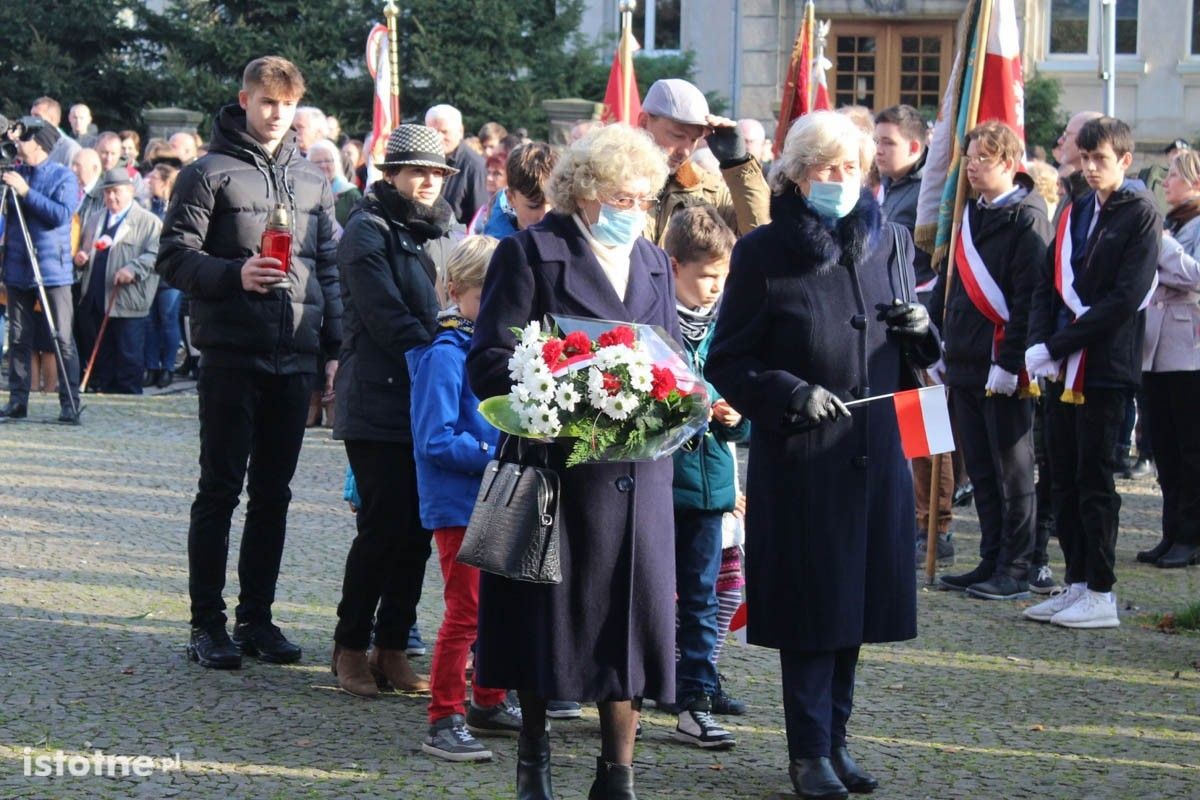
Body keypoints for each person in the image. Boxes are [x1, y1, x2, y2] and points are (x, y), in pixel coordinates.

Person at [705, 110, 940, 799]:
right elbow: (729, 359)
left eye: (850, 169)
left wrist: (923, 331)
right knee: (813, 610)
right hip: (804, 461)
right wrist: (788, 391)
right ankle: (808, 753)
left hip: (875, 457)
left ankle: (837, 742)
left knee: (856, 609)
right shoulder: (763, 252)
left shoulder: (890, 242)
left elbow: (918, 354)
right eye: (824, 169)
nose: (839, 181)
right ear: (796, 176)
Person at [467, 123, 676, 799]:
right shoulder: (530, 252)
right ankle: (535, 757)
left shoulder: (654, 260)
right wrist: (563, 387)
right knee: (541, 621)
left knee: (632, 620)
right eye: (622, 194)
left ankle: (618, 772)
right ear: (585, 193)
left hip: (636, 475)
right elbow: (489, 362)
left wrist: (685, 397)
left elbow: (671, 360)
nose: (633, 208)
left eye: (644, 197)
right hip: (552, 470)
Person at [157, 55, 342, 669]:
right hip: (232, 354)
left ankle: (256, 618)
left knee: (274, 494)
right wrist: (235, 273)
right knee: (219, 490)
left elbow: (331, 273)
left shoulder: (314, 181)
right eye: (266, 102)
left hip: (295, 356)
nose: (275, 114)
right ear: (244, 100)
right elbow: (174, 259)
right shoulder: (205, 174)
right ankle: (206, 623)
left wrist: (336, 350)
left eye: (286, 105)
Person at [330, 124, 454, 697]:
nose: (428, 182)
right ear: (392, 175)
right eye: (418, 172)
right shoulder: (367, 230)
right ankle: (350, 646)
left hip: (418, 396)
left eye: (437, 173)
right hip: (377, 398)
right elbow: (386, 318)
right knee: (382, 529)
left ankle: (392, 646)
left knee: (416, 532)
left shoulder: (423, 230)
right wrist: (445, 345)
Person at [1023, 116, 1160, 629]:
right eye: (1085, 158)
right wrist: (1040, 344)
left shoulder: (1141, 215)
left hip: (1105, 367)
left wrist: (1060, 343)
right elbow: (1048, 281)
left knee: (1096, 479)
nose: (1091, 168)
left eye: (1100, 159)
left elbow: (1125, 297)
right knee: (1062, 477)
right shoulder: (1078, 209)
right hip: (1061, 366)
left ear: (1124, 160)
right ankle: (1076, 579)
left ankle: (1101, 589)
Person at [406, 235, 520, 760]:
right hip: (458, 502)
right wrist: (493, 448)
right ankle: (443, 715)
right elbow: (435, 440)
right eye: (488, 294)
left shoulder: (490, 349)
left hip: (493, 494)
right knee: (466, 611)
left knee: (498, 607)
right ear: (457, 290)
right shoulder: (445, 354)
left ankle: (488, 700)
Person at [927, 121, 1050, 602]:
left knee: (1011, 469)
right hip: (964, 359)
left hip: (1002, 363)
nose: (972, 167)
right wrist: (935, 340)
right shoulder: (967, 212)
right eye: (970, 158)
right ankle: (990, 557)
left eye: (982, 159)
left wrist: (1011, 358)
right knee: (979, 469)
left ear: (1008, 162)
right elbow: (951, 281)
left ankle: (1017, 565)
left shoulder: (1026, 216)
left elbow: (1028, 296)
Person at [662, 205, 748, 749]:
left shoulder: (728, 329)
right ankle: (633, 686)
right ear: (674, 267)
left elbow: (743, 402)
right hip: (658, 480)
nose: (714, 287)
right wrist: (701, 399)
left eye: (722, 276)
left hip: (710, 482)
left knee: (699, 595)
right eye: (705, 276)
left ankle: (695, 698)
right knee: (646, 592)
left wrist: (738, 413)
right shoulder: (655, 322)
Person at [875, 103, 955, 566]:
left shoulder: (929, 194)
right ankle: (915, 517)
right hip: (891, 320)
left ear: (915, 145)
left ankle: (935, 526)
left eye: (888, 142)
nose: (880, 150)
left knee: (925, 427)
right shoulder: (885, 188)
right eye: (878, 141)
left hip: (923, 319)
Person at [1135, 148, 1200, 569]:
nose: (1166, 184)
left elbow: (1194, 275)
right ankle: (1171, 531)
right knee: (1163, 448)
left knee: (1191, 449)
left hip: (1189, 353)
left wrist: (1161, 246)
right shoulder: (1172, 223)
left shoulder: (1182, 228)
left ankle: (1191, 536)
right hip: (1154, 353)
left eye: (1174, 176)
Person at [0, 116, 82, 424]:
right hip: (18, 266)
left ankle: (69, 403)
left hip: (52, 268)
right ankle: (17, 401)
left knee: (61, 336)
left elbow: (60, 216)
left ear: (39, 143)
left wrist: (25, 192)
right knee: (19, 336)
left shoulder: (63, 176)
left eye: (23, 139)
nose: (18, 145)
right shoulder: (14, 171)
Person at [638, 78, 770, 244]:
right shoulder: (610, 180)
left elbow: (764, 237)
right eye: (677, 136)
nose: (685, 150)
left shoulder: (707, 191)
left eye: (694, 140)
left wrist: (738, 164)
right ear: (643, 123)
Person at [74, 168, 162, 394]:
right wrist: (81, 259)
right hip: (95, 298)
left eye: (116, 192)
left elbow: (156, 255)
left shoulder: (148, 222)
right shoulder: (95, 219)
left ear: (130, 190)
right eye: (107, 193)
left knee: (128, 356)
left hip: (127, 301)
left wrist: (133, 268)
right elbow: (84, 250)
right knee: (103, 357)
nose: (111, 197)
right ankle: (106, 400)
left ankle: (129, 402)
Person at [142, 163, 182, 389]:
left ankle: (167, 367)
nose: (149, 182)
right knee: (150, 322)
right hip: (150, 273)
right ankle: (151, 366)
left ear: (166, 182)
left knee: (168, 320)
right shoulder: (148, 206)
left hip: (169, 275)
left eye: (155, 178)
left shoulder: (175, 206)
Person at [426, 104, 487, 225]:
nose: (438, 137)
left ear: (460, 131)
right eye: (432, 131)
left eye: (444, 132)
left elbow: (478, 220)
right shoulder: (422, 161)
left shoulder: (475, 167)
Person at [307, 138, 362, 228]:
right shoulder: (302, 193)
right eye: (318, 162)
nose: (323, 165)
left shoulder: (350, 194)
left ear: (336, 163)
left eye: (328, 161)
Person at [30, 97, 80, 168]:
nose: (31, 120)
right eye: (31, 115)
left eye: (37, 116)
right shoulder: (30, 143)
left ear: (52, 120)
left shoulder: (69, 148)